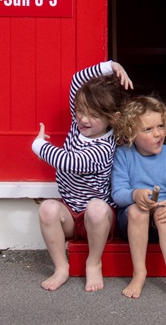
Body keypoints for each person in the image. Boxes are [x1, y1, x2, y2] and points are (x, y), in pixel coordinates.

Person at [32, 60, 133, 292]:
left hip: (97, 221)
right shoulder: (79, 127)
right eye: (80, 111)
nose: (83, 119)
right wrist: (111, 66)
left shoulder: (103, 147)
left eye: (93, 115)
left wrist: (38, 146)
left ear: (113, 118)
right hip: (71, 211)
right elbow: (77, 81)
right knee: (47, 208)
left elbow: (70, 162)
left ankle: (93, 262)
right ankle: (60, 267)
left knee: (96, 209)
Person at [111, 95, 166, 304]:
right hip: (133, 222)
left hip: (163, 219)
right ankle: (139, 274)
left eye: (160, 126)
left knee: (164, 213)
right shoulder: (124, 155)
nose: (157, 133)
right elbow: (117, 194)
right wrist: (135, 194)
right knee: (136, 210)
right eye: (148, 130)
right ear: (131, 132)